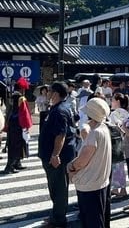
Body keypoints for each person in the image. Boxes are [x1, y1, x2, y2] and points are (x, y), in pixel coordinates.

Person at [67, 98, 111, 228]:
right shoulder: (103, 128)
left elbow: (82, 161)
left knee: (92, 221)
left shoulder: (95, 133)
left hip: (89, 183)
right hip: (100, 181)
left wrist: (71, 166)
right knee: (99, 218)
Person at [38, 81, 77, 228]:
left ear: (55, 93)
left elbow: (60, 135)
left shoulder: (59, 111)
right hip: (54, 156)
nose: (47, 93)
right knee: (55, 186)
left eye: (49, 91)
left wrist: (55, 155)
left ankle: (59, 219)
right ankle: (56, 214)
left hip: (58, 158)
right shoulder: (57, 109)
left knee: (59, 188)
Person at [2, 78, 32, 174]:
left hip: (12, 123)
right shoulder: (21, 98)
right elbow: (24, 113)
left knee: (13, 144)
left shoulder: (11, 97)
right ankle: (10, 166)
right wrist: (26, 125)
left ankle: (16, 163)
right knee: (17, 145)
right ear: (22, 89)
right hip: (19, 124)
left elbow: (9, 112)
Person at [109, 93, 129, 198]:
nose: (111, 102)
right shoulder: (126, 112)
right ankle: (122, 188)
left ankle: (117, 189)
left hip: (116, 141)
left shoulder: (114, 114)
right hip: (125, 141)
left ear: (117, 101)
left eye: (112, 100)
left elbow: (114, 128)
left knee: (116, 166)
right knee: (120, 165)